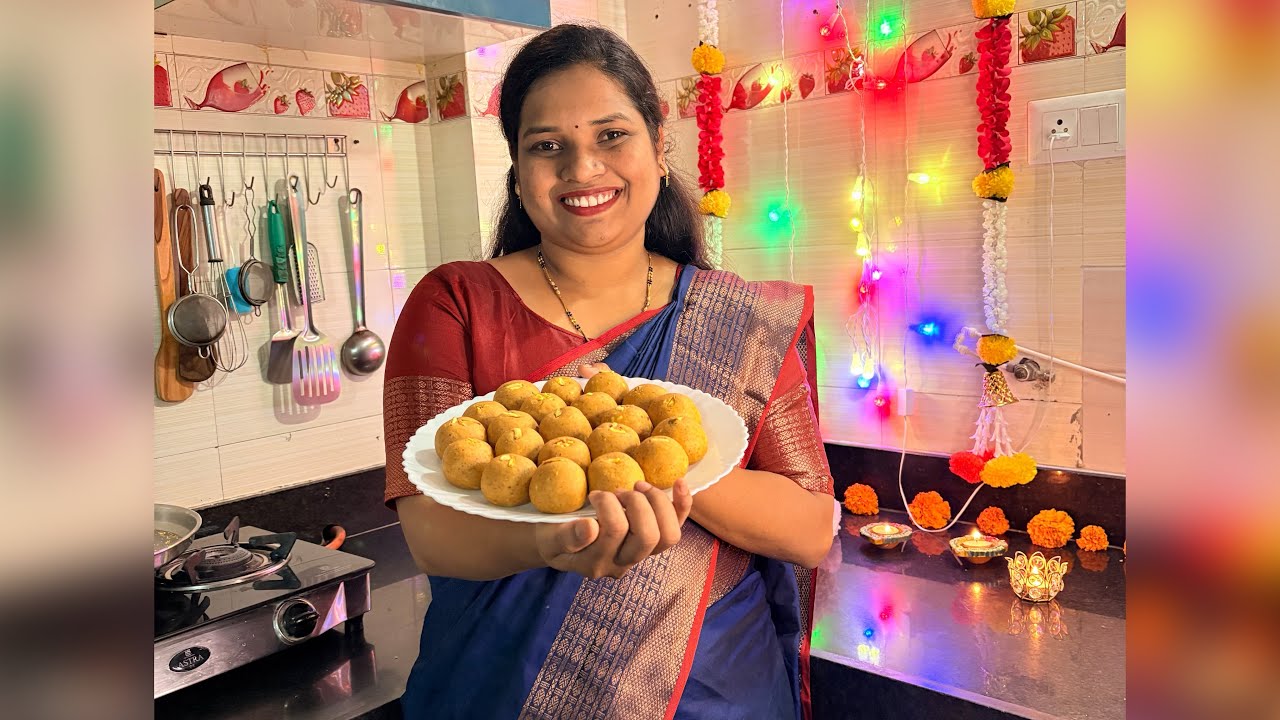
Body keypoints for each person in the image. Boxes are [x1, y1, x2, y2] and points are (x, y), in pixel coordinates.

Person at [383, 23, 837, 720]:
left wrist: (648, 459)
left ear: (659, 147)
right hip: (501, 690)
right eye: (547, 146)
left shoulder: (737, 318)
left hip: (714, 695)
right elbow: (430, 531)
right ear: (517, 167)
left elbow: (809, 527)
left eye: (611, 136)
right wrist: (551, 540)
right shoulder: (455, 304)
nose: (582, 168)